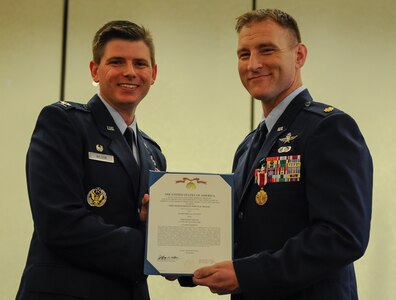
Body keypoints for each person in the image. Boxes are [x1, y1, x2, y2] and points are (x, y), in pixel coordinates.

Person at [190, 9, 373, 300]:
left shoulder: (328, 128)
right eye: (243, 54)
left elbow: (342, 236)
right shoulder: (250, 145)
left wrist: (246, 274)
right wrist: (180, 257)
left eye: (267, 50)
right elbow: (243, 236)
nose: (253, 64)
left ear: (299, 55)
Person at [16, 20, 165, 300]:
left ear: (153, 73)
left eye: (140, 64)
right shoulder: (64, 123)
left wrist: (161, 232)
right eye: (117, 62)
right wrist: (154, 248)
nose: (130, 72)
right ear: (95, 70)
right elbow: (60, 223)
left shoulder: (153, 153)